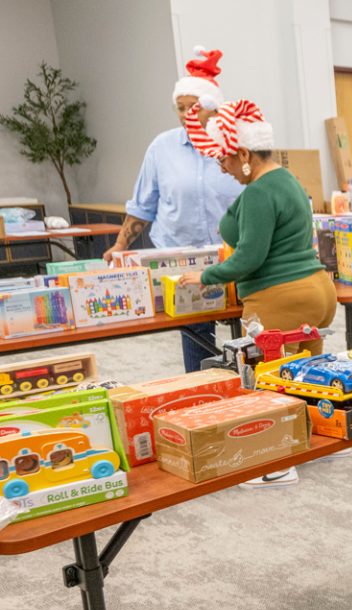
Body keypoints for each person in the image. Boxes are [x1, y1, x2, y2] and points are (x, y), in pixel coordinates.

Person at [179, 99, 338, 487]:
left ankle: (274, 465)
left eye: (225, 160)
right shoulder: (289, 180)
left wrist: (206, 276)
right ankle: (323, 440)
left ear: (245, 154)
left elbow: (248, 257)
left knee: (267, 380)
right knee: (308, 376)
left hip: (279, 298)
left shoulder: (257, 194)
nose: (222, 168)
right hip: (318, 292)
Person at [105, 47, 243, 373]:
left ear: (213, 107)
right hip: (181, 259)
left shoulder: (234, 146)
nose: (185, 114)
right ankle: (200, 393)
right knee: (196, 336)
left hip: (233, 257)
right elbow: (143, 206)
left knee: (248, 331)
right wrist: (120, 245)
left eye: (193, 106)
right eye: (180, 108)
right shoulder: (161, 148)